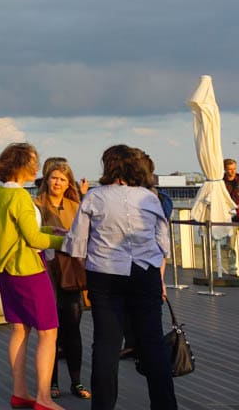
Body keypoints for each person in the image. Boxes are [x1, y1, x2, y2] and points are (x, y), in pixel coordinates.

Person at [63, 145, 177, 410]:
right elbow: (164, 246)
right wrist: (157, 278)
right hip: (145, 273)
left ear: (108, 166)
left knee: (106, 345)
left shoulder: (94, 197)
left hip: (104, 274)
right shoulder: (149, 198)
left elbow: (77, 247)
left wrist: (90, 267)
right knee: (152, 343)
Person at [0, 142, 65, 410]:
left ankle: (20, 391)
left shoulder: (1, 194)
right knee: (48, 332)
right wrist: (63, 242)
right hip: (28, 269)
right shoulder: (21, 196)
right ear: (21, 165)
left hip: (7, 269)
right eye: (33, 161)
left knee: (19, 329)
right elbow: (32, 237)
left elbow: (20, 228)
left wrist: (49, 231)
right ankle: (44, 398)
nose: (37, 167)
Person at [35, 160, 90, 400]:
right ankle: (52, 382)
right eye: (54, 177)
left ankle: (76, 381)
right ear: (47, 179)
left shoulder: (75, 206)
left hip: (70, 273)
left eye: (62, 179)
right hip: (45, 272)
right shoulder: (36, 205)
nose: (57, 182)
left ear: (69, 183)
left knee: (73, 328)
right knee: (50, 331)